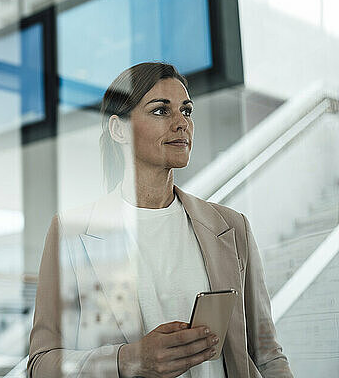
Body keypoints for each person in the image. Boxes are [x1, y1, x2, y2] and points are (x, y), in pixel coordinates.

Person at [27, 62, 293, 378]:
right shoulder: (72, 233)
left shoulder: (231, 227)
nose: (182, 123)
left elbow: (267, 355)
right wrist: (127, 360)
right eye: (160, 111)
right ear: (118, 129)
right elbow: (41, 364)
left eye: (187, 111)